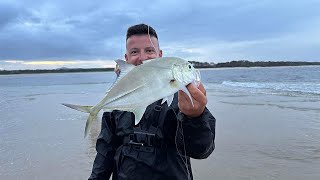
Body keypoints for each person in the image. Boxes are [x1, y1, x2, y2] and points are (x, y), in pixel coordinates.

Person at [89, 23, 216, 180]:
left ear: (160, 55)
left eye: (149, 50)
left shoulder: (182, 98)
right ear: (126, 59)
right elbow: (104, 153)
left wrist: (195, 116)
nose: (142, 58)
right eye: (135, 52)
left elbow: (201, 150)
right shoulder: (117, 98)